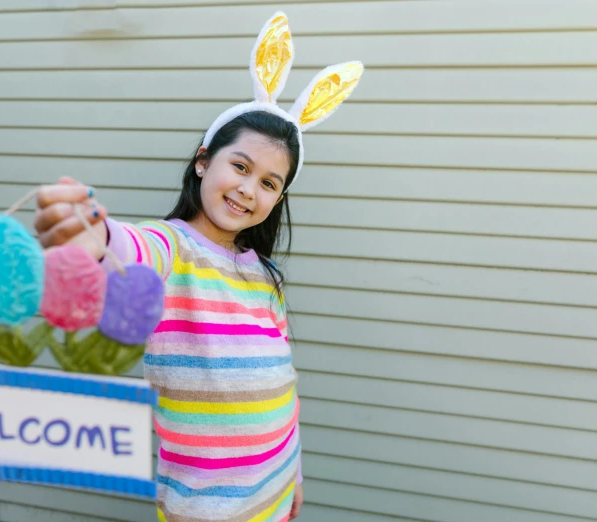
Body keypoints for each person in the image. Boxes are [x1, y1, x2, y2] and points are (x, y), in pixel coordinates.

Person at [33, 12, 363, 522]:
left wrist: (294, 475)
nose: (250, 190)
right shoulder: (172, 249)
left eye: (271, 183)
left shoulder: (262, 274)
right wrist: (89, 231)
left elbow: (282, 382)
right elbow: (127, 247)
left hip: (273, 497)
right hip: (203, 510)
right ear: (203, 161)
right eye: (241, 166)